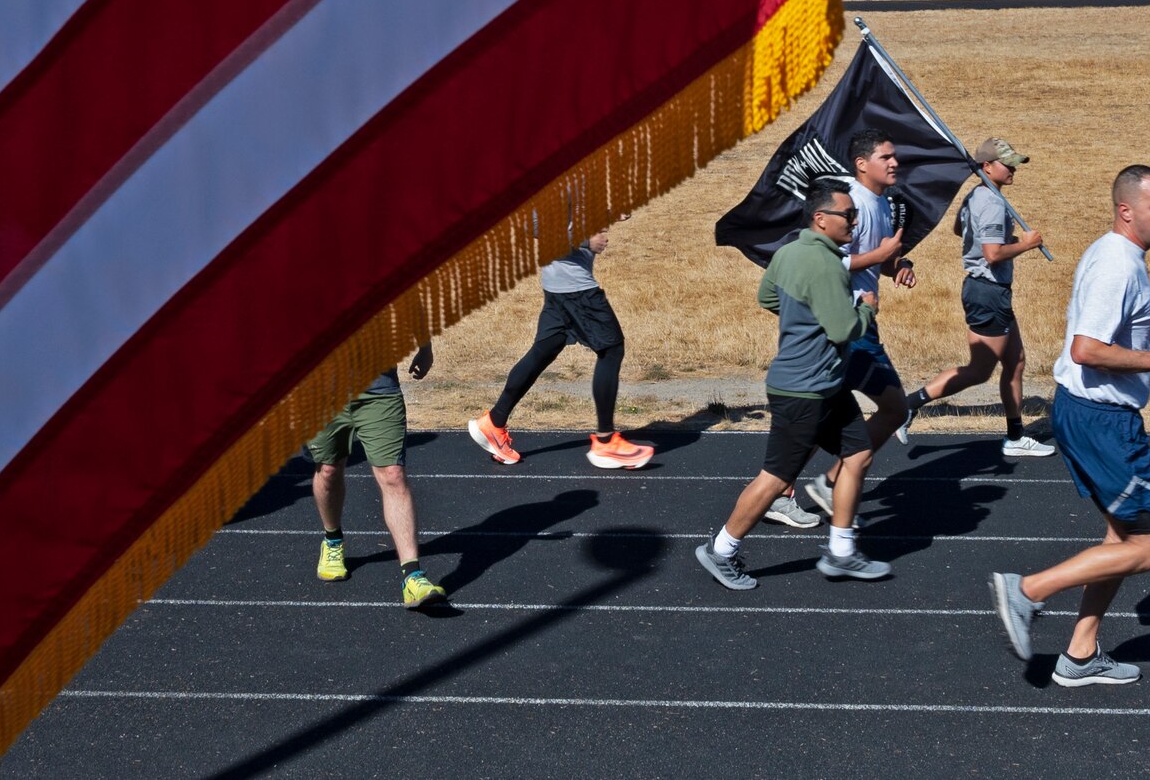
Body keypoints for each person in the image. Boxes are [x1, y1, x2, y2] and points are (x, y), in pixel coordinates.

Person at [990, 165, 1150, 686]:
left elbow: (1103, 329)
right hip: (1103, 420)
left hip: (1087, 413)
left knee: (1120, 537)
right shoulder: (1117, 267)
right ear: (1127, 211)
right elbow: (1087, 349)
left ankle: (1080, 655)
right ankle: (1027, 590)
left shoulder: (1116, 254)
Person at [696, 183, 892, 590]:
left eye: (855, 214)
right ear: (821, 219)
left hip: (825, 385)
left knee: (857, 454)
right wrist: (866, 310)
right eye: (848, 216)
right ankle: (721, 549)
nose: (855, 222)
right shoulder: (823, 265)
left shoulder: (789, 253)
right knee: (774, 477)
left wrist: (802, 317)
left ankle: (841, 552)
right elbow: (843, 328)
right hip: (803, 390)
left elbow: (768, 297)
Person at [898, 138, 1054, 454]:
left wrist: (996, 239)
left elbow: (960, 229)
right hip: (988, 293)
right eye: (1006, 163)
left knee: (1016, 361)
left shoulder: (977, 195)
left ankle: (1015, 436)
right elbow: (994, 254)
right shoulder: (994, 203)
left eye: (1014, 162)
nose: (1012, 169)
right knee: (979, 371)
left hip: (988, 291)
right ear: (986, 166)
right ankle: (909, 405)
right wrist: (1027, 243)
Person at [468, 226, 655, 470]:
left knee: (543, 351)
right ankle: (606, 443)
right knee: (611, 349)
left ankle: (494, 422)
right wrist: (587, 241)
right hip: (575, 289)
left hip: (562, 288)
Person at [802, 131, 914, 516]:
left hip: (860, 321)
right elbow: (828, 261)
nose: (894, 162)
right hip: (848, 322)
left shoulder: (880, 202)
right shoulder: (850, 204)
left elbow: (875, 257)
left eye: (894, 155)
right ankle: (829, 483)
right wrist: (880, 256)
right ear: (862, 164)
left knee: (825, 413)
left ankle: (805, 487)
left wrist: (898, 265)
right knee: (894, 409)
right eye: (886, 157)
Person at [312, 341, 447, 608]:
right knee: (328, 469)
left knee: (393, 475)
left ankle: (413, 577)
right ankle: (333, 540)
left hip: (378, 388)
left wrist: (425, 347)